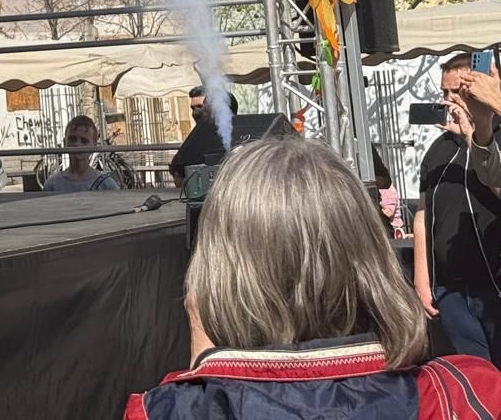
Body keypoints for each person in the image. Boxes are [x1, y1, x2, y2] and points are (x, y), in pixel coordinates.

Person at [124, 137, 501, 419]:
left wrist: (203, 371)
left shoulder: (159, 411)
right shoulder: (465, 394)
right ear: (372, 259)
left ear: (216, 275)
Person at [414, 54, 501, 361]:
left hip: (492, 282)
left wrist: (474, 135)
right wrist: (423, 279)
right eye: (444, 91)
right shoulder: (438, 149)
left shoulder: (493, 137)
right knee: (475, 372)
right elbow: (423, 215)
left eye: (458, 91)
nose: (449, 99)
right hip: (451, 287)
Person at [169, 87, 238, 189]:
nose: (195, 112)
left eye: (201, 107)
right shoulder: (198, 135)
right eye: (193, 108)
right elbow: (177, 172)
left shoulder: (217, 131)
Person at [43, 115, 120, 194]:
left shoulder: (107, 186)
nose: (77, 144)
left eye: (84, 141)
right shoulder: (52, 185)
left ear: (94, 146)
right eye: (72, 139)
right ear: (65, 142)